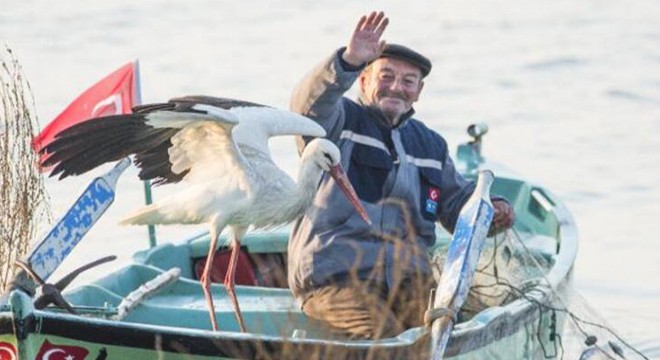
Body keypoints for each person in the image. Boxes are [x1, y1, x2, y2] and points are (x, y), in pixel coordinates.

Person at [287, 11, 515, 340]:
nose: (397, 87)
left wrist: (494, 209)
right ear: (364, 80)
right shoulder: (338, 123)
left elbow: (456, 205)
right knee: (385, 337)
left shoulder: (430, 144)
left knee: (449, 332)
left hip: (408, 281)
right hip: (336, 280)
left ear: (418, 91)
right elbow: (307, 106)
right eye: (386, 76)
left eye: (408, 81)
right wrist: (348, 60)